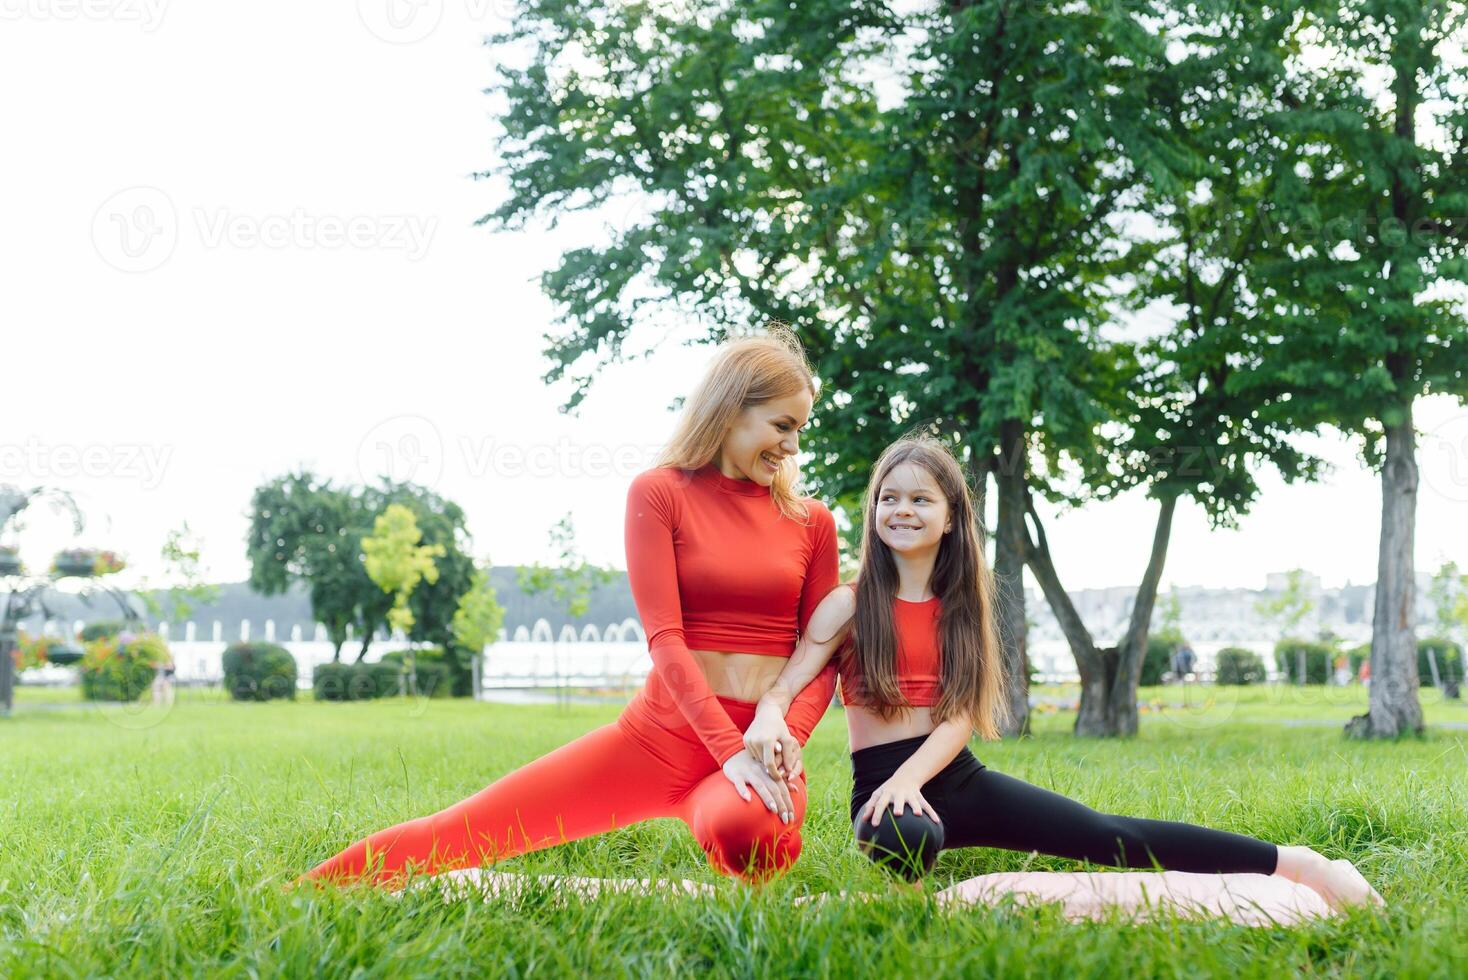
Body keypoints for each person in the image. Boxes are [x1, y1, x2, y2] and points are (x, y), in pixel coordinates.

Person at [745, 435, 1384, 911]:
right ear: (873, 510)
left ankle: (1298, 865)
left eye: (920, 498)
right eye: (889, 497)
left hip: (950, 775)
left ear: (950, 516)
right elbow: (787, 683)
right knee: (906, 833)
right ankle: (904, 904)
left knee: (1107, 834)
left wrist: (915, 778)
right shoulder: (850, 604)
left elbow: (962, 717)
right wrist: (770, 716)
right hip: (883, 792)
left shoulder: (964, 609)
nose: (901, 509)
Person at [299, 328, 839, 888]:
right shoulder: (660, 494)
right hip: (658, 739)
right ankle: (297, 896)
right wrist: (727, 750)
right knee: (461, 831)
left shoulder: (812, 521)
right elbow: (665, 639)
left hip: (765, 744)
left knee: (752, 830)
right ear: (730, 411)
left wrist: (783, 741)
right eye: (782, 426)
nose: (793, 447)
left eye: (800, 430)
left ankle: (742, 930)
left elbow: (822, 654)